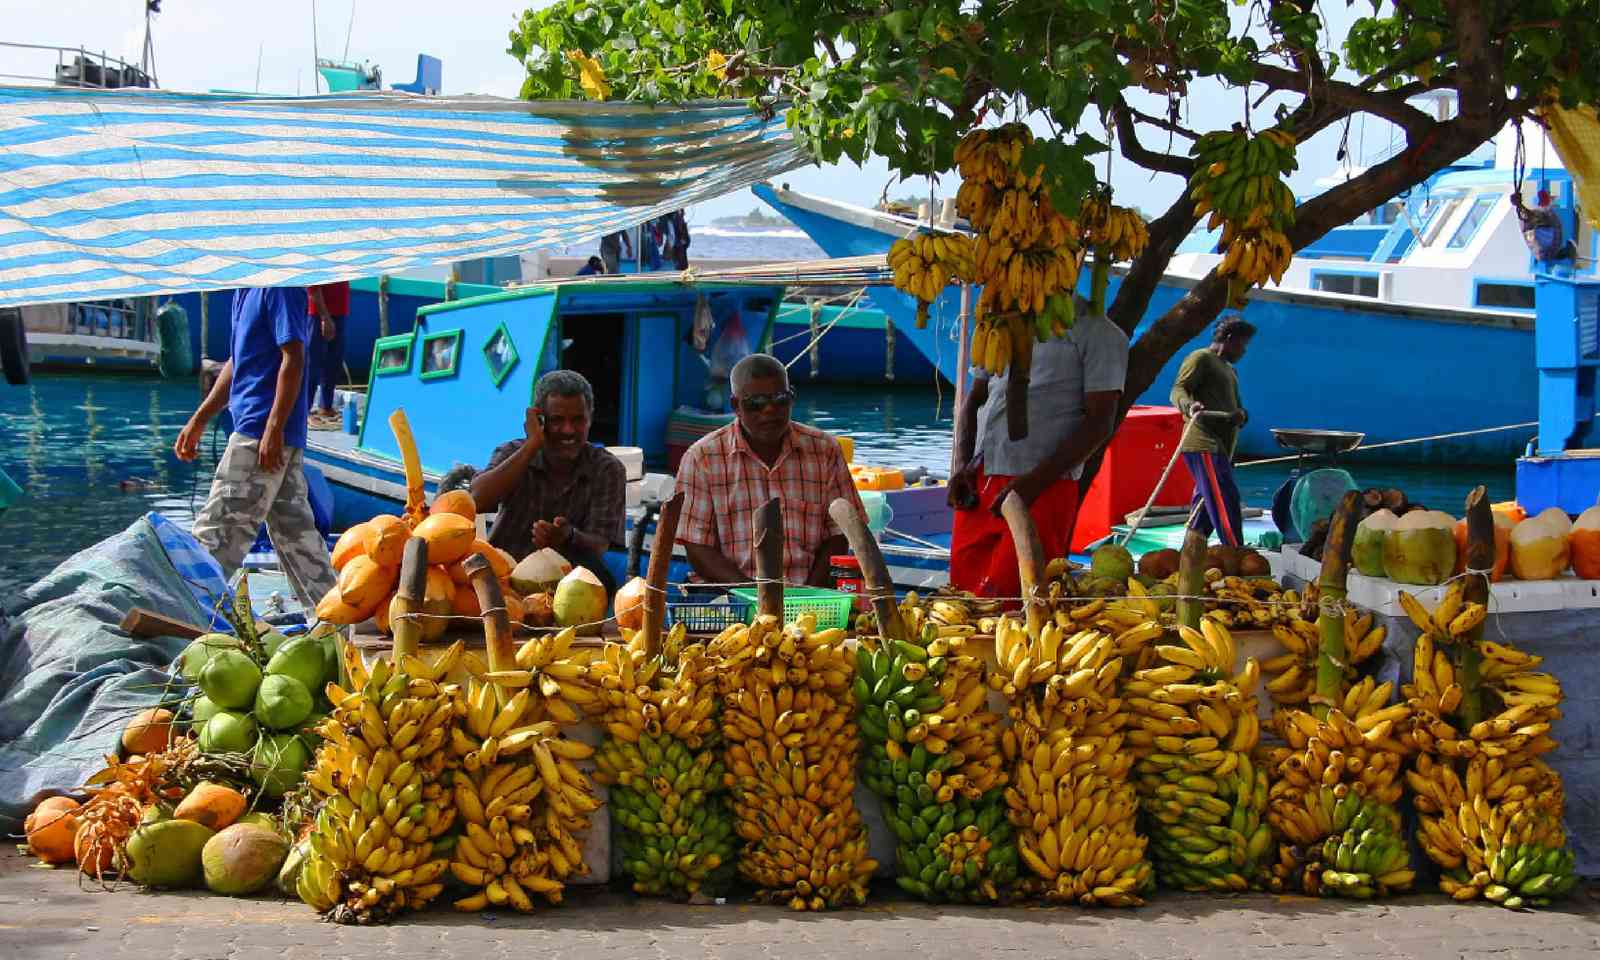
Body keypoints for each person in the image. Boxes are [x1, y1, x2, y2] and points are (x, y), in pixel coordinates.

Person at [948, 296, 1129, 599]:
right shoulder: (997, 324)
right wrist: (961, 465)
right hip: (979, 480)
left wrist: (1032, 485)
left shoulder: (1097, 332)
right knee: (960, 595)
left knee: (1018, 599)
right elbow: (974, 400)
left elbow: (1099, 423)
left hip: (1043, 486)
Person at [175, 287, 336, 612]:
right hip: (258, 429)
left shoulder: (279, 286)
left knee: (217, 534)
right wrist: (200, 419)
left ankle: (189, 620)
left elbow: (294, 356)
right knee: (298, 538)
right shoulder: (245, 290)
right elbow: (238, 362)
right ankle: (335, 622)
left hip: (260, 434)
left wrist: (273, 429)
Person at [677, 353, 864, 587]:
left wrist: (807, 595)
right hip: (733, 597)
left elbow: (840, 533)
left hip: (811, 598)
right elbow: (696, 547)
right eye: (756, 403)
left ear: (792, 398)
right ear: (736, 405)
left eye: (780, 399)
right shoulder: (702, 458)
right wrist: (756, 597)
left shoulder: (825, 450)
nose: (769, 410)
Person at [470, 369, 627, 596]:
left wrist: (567, 537)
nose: (568, 430)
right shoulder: (513, 453)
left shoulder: (607, 469)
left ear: (590, 418)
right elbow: (477, 500)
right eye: (557, 420)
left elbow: (600, 544)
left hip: (569, 593)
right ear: (539, 420)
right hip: (503, 585)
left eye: (578, 420)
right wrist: (532, 445)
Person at [1171, 316, 1256, 548]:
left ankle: (1190, 552)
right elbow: (1179, 389)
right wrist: (1190, 406)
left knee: (1206, 508)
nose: (1244, 351)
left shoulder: (1230, 370)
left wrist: (1241, 415)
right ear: (1228, 339)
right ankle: (1236, 551)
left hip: (1222, 447)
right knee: (1225, 499)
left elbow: (1238, 408)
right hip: (1204, 443)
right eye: (1241, 344)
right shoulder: (1201, 358)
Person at [304, 280, 349, 421]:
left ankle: (325, 406)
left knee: (334, 363)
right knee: (312, 364)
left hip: (339, 313)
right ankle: (304, 410)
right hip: (318, 315)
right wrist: (324, 317)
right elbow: (313, 287)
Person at [1511, 188, 1574, 264]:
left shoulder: (1526, 219)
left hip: (1544, 249)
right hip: (1546, 247)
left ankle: (1563, 253)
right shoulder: (1536, 217)